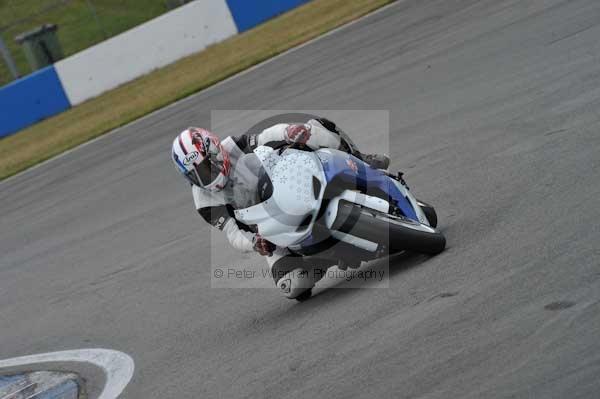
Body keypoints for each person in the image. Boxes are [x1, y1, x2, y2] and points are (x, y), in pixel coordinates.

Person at [171, 117, 389, 299]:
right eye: (196, 174)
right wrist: (255, 243)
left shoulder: (233, 147)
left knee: (315, 128)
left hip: (289, 189)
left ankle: (361, 162)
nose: (205, 175)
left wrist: (289, 131)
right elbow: (233, 233)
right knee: (293, 286)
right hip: (271, 230)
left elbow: (268, 135)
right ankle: (325, 258)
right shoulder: (204, 201)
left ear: (216, 150)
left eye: (207, 165)